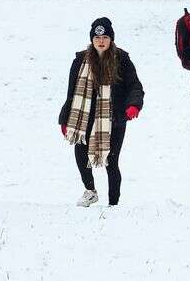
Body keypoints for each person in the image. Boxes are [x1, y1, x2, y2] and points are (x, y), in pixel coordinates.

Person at [59, 18, 144, 207]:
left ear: (111, 39)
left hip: (114, 119)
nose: (101, 41)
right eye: (97, 37)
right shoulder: (80, 60)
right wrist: (65, 119)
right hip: (85, 117)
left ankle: (113, 204)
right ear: (92, 39)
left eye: (105, 36)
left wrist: (134, 105)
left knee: (111, 162)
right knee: (80, 152)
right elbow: (71, 92)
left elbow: (135, 86)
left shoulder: (122, 59)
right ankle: (90, 191)